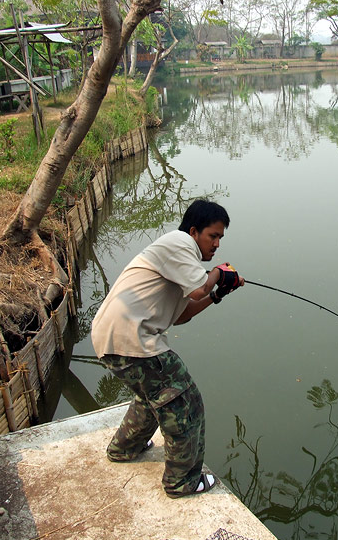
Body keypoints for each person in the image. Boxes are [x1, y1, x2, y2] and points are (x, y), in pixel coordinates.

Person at [91, 199, 245, 498]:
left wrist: (218, 294)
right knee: (185, 402)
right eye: (212, 236)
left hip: (114, 337)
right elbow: (201, 285)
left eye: (220, 238)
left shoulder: (181, 264)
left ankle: (125, 448)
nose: (216, 244)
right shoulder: (179, 243)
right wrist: (218, 273)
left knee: (152, 396)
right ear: (193, 230)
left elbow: (184, 314)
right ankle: (182, 482)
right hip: (130, 338)